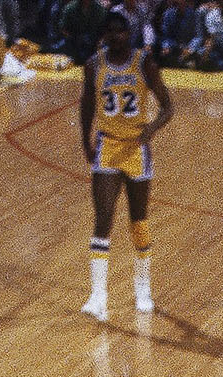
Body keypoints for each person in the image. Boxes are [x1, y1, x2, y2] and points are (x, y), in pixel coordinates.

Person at [79, 6, 169, 318]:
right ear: (104, 35)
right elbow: (86, 106)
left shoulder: (144, 62)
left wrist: (151, 130)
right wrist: (84, 140)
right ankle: (98, 296)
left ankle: (142, 288)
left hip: (136, 149)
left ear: (128, 33)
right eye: (111, 31)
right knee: (103, 217)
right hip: (106, 146)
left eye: (122, 31)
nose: (116, 36)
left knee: (138, 221)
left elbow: (168, 107)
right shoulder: (93, 65)